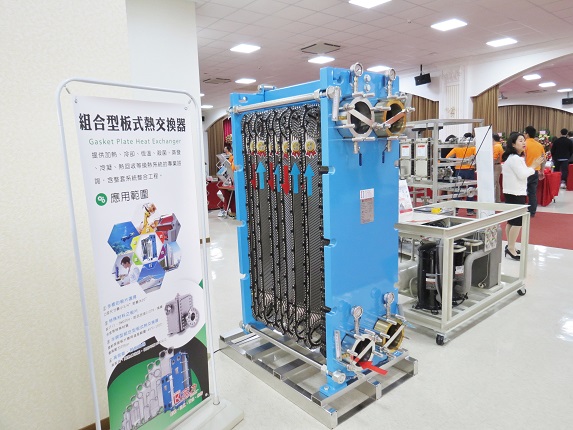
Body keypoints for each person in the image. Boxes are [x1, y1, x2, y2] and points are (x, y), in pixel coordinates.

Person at [502, 133, 545, 260]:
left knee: (512, 221)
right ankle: (511, 248)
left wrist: (531, 166)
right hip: (515, 193)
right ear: (513, 144)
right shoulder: (515, 159)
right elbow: (522, 175)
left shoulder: (514, 158)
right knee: (517, 222)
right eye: (520, 140)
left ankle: (510, 246)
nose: (523, 143)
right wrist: (533, 166)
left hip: (513, 192)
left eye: (523, 140)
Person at [446, 137, 477, 215]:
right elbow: (477, 157)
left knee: (458, 190)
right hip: (469, 170)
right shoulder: (472, 148)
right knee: (470, 190)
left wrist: (456, 161)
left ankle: (455, 209)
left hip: (459, 171)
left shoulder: (456, 148)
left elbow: (448, 157)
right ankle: (470, 210)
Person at [523, 126, 545, 217]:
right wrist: (542, 171)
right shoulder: (539, 145)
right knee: (532, 192)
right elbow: (543, 159)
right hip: (535, 171)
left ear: (527, 134)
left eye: (524, 133)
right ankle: (532, 211)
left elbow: (523, 158)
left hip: (525, 171)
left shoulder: (524, 144)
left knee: (522, 191)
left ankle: (520, 210)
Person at [219, 144, 236, 217]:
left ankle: (232, 210)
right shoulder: (227, 157)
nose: (224, 149)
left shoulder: (232, 156)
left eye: (225, 148)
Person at [492, 134, 504, 202]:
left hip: (495, 165)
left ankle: (495, 199)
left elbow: (494, 157)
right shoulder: (498, 145)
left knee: (494, 183)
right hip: (497, 165)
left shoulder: (496, 146)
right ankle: (497, 199)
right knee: (496, 184)